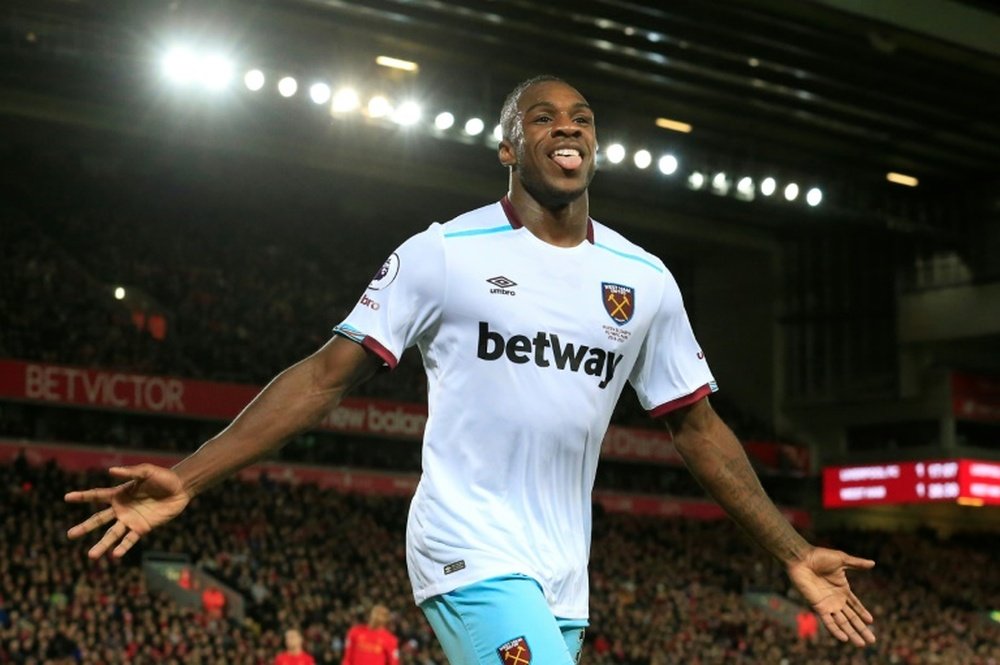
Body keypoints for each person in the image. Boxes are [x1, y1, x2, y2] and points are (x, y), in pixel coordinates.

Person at [65, 74, 878, 664]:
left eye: (584, 118)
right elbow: (323, 376)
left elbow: (698, 428)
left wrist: (789, 549)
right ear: (508, 146)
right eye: (543, 116)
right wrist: (190, 476)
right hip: (467, 546)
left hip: (565, 568)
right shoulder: (444, 252)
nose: (569, 127)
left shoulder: (645, 280)